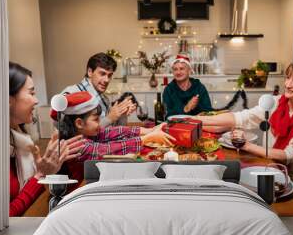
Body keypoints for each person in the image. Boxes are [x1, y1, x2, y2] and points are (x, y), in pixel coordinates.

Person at [196, 59, 293, 196]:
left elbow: (288, 155)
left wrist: (246, 145)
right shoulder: (275, 102)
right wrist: (196, 119)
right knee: (234, 183)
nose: (288, 84)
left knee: (250, 192)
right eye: (287, 78)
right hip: (269, 166)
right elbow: (241, 117)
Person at [9, 62, 84, 216]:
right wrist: (40, 174)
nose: (36, 101)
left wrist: (44, 170)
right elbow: (6, 215)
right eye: (31, 93)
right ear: (8, 100)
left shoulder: (19, 141)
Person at [51, 92, 175, 183]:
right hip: (76, 191)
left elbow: (113, 132)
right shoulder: (76, 146)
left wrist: (149, 130)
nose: (100, 123)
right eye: (96, 119)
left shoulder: (83, 133)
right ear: (79, 123)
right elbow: (107, 150)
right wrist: (147, 138)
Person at [62, 52, 136, 127]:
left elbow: (114, 131)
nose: (107, 80)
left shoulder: (105, 99)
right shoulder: (72, 93)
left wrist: (122, 115)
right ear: (90, 72)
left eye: (109, 75)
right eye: (102, 74)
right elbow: (67, 133)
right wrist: (109, 119)